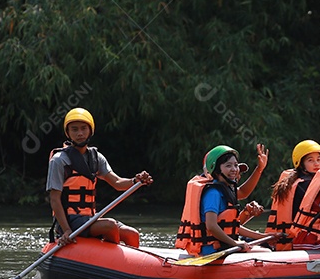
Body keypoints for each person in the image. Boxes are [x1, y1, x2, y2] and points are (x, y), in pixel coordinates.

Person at [47, 107, 153, 248]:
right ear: (68, 133)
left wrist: (135, 180)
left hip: (89, 218)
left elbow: (117, 183)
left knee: (131, 234)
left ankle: (134, 265)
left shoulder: (96, 158)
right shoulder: (59, 160)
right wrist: (66, 229)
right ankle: (113, 261)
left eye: (84, 128)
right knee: (110, 226)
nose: (80, 133)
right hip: (69, 220)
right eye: (74, 129)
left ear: (90, 130)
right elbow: (54, 199)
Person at [175, 145, 267, 256]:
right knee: (265, 252)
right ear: (217, 170)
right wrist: (235, 243)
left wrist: (259, 168)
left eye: (236, 165)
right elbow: (211, 226)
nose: (234, 170)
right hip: (212, 250)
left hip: (224, 246)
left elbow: (243, 193)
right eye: (228, 166)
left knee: (265, 249)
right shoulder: (213, 194)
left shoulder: (226, 189)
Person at [266, 139, 320, 251]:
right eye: (310, 160)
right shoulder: (307, 184)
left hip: (289, 238)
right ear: (301, 164)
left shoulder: (294, 180)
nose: (317, 163)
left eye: (319, 159)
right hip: (303, 239)